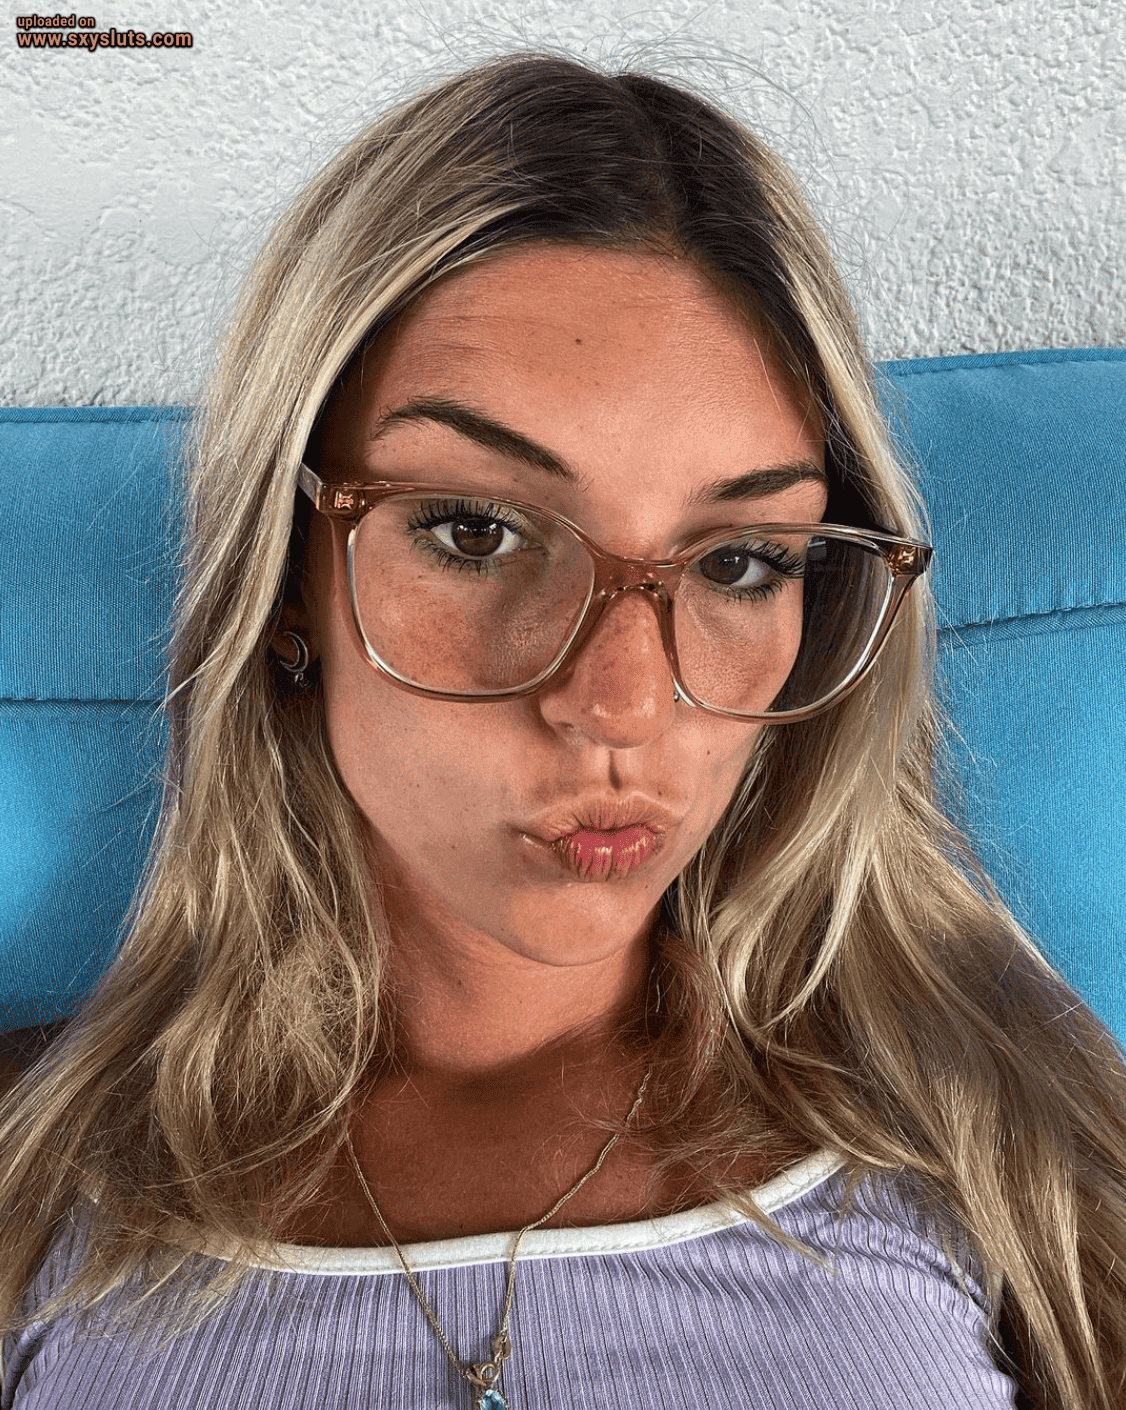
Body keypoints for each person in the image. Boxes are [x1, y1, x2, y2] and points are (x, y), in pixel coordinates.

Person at [1, 51, 1125, 1410]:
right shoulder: (37, 1176)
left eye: (738, 562)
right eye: (476, 532)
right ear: (284, 572)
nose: (622, 704)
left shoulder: (999, 1126)